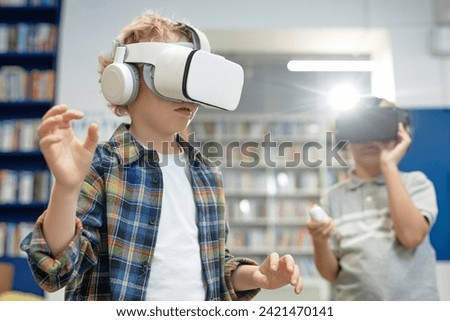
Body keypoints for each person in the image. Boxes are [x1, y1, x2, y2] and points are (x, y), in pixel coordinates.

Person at [20, 11, 302, 301]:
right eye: (173, 76)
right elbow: (57, 271)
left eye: (194, 80)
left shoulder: (207, 173)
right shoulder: (102, 164)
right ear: (126, 80)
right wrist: (66, 188)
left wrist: (256, 276)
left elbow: (214, 265)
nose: (188, 96)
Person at [307, 97, 440, 300]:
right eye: (360, 129)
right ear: (345, 138)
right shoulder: (332, 198)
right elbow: (330, 273)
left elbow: (412, 237)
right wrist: (319, 241)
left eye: (379, 127)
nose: (370, 139)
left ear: (399, 134)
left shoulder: (416, 183)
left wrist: (389, 166)